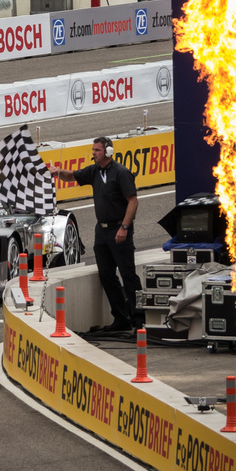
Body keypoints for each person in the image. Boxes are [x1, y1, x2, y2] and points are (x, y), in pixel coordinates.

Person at [49, 137, 142, 332]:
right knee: (106, 275)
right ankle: (121, 317)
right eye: (93, 150)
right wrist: (58, 173)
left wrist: (124, 228)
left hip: (120, 228)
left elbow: (133, 201)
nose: (94, 153)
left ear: (108, 152)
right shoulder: (94, 171)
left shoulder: (121, 173)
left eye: (97, 150)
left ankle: (139, 320)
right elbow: (72, 176)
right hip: (102, 230)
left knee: (128, 275)